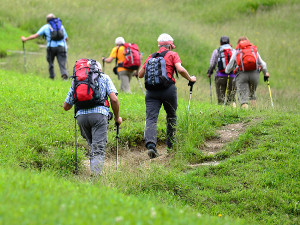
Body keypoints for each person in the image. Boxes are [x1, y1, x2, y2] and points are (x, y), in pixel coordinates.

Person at [138, 33, 196, 159]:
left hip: (151, 92)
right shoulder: (172, 54)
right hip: (168, 90)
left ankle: (151, 146)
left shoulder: (151, 56)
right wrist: (190, 78)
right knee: (171, 117)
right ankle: (170, 147)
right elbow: (179, 69)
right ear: (170, 46)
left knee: (151, 118)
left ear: (159, 46)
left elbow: (140, 74)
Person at [63, 60, 122, 176]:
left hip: (81, 118)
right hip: (99, 116)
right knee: (98, 149)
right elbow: (114, 99)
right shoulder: (104, 78)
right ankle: (96, 179)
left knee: (93, 146)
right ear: (99, 70)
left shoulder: (77, 80)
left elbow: (66, 106)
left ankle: (93, 170)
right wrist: (117, 117)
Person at [225, 36, 270, 109]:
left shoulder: (237, 51)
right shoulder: (253, 50)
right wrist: (266, 73)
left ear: (238, 43)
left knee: (244, 97)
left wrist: (227, 71)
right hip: (254, 74)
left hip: (242, 75)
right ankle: (254, 113)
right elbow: (263, 64)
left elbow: (230, 65)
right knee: (252, 94)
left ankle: (245, 114)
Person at [21, 13, 69, 80]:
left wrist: (25, 39)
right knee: (62, 63)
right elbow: (66, 38)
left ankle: (52, 77)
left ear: (47, 20)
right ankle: (64, 76)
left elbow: (35, 36)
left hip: (51, 47)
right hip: (61, 47)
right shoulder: (61, 26)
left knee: (50, 62)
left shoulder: (46, 27)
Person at [207, 36, 236, 106]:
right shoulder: (234, 51)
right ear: (229, 43)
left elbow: (212, 64)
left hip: (220, 76)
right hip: (232, 77)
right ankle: (230, 112)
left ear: (220, 43)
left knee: (221, 97)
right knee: (231, 97)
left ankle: (220, 113)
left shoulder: (217, 51)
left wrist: (209, 72)